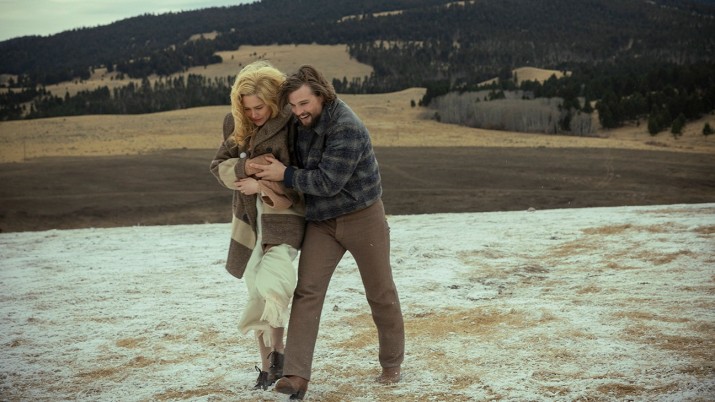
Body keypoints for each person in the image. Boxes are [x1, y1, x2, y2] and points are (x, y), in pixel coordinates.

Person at [251, 64, 405, 400]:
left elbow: (327, 182)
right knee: (307, 291)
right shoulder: (297, 120)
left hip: (363, 216)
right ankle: (296, 376)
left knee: (380, 292)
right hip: (322, 220)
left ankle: (391, 365)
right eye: (293, 105)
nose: (298, 111)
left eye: (304, 103)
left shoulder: (346, 127)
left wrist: (283, 174)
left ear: (322, 95)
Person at [209, 61, 305, 391]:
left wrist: (261, 186)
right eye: (247, 108)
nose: (253, 114)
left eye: (259, 107)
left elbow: (301, 181)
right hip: (248, 225)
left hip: (284, 222)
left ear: (273, 101)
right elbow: (218, 166)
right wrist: (246, 166)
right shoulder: (235, 123)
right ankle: (268, 367)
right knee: (256, 292)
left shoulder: (292, 125)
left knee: (272, 286)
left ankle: (279, 353)